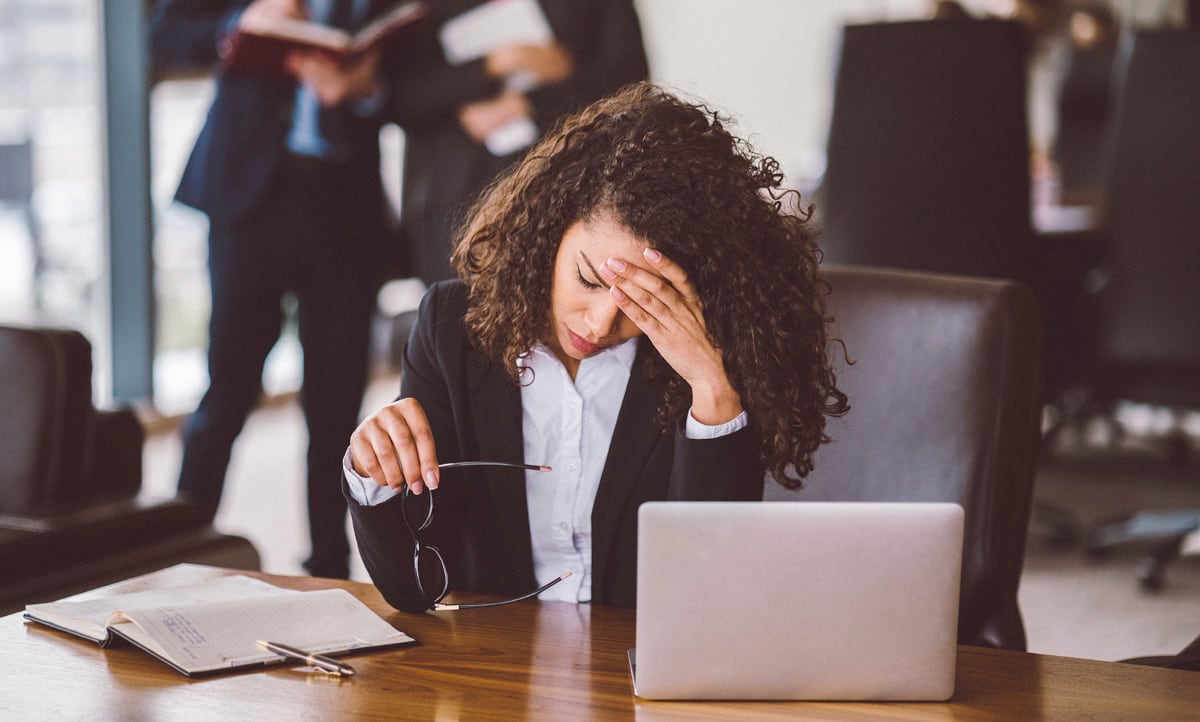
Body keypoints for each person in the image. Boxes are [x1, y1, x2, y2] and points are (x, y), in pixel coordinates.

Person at [343, 82, 850, 614]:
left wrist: (711, 387)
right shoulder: (452, 328)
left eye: (641, 300)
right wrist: (373, 472)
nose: (603, 322)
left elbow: (707, 595)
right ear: (549, 230)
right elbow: (415, 588)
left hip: (634, 671)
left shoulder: (705, 356)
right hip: (493, 664)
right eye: (588, 278)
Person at [150, 0, 398, 579]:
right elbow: (164, 38)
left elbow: (405, 82)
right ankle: (177, 550)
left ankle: (330, 565)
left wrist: (364, 87)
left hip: (344, 208)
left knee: (337, 403)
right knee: (228, 388)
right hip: (250, 203)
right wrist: (238, 27)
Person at [378, 0, 649, 285]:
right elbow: (401, 98)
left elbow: (631, 79)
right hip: (458, 200)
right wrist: (493, 64)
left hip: (568, 186)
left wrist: (529, 103)